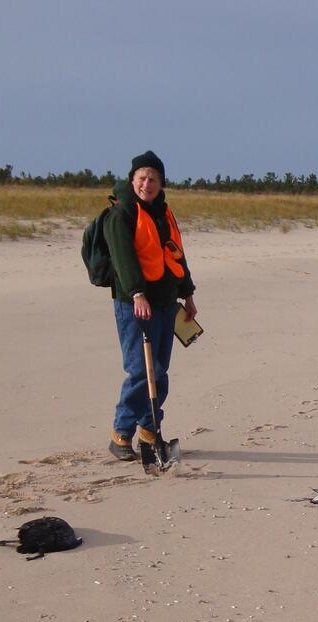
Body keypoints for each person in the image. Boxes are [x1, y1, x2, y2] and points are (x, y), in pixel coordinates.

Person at [103, 150, 198, 460]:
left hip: (166, 302)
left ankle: (149, 431)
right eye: (142, 178)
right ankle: (121, 434)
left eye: (153, 179)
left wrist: (188, 294)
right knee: (141, 373)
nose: (147, 184)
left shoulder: (163, 213)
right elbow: (123, 259)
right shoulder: (121, 215)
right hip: (135, 304)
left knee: (160, 371)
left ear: (161, 183)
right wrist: (136, 294)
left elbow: (176, 255)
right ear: (132, 180)